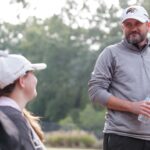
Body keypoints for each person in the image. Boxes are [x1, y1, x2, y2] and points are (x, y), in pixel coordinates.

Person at [88, 5, 150, 150]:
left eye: (137, 23)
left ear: (148, 25)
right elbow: (95, 92)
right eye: (128, 24)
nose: (133, 28)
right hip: (121, 137)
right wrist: (132, 106)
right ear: (122, 27)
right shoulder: (110, 53)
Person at [0, 50, 47, 150]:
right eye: (32, 73)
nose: (36, 78)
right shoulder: (12, 119)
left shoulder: (8, 116)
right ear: (22, 80)